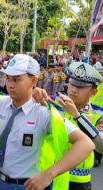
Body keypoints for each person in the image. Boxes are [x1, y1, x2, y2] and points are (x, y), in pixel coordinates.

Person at [0, 54, 95, 190]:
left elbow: (86, 144)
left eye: (16, 80)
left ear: (33, 81)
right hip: (2, 181)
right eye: (8, 79)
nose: (10, 85)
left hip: (29, 185)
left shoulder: (44, 112)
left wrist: (49, 174)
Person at [51, 62, 103, 190]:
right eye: (72, 84)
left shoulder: (98, 114)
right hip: (51, 174)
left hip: (78, 181)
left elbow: (101, 147)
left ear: (93, 92)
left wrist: (77, 116)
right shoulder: (54, 105)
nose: (73, 90)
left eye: (80, 87)